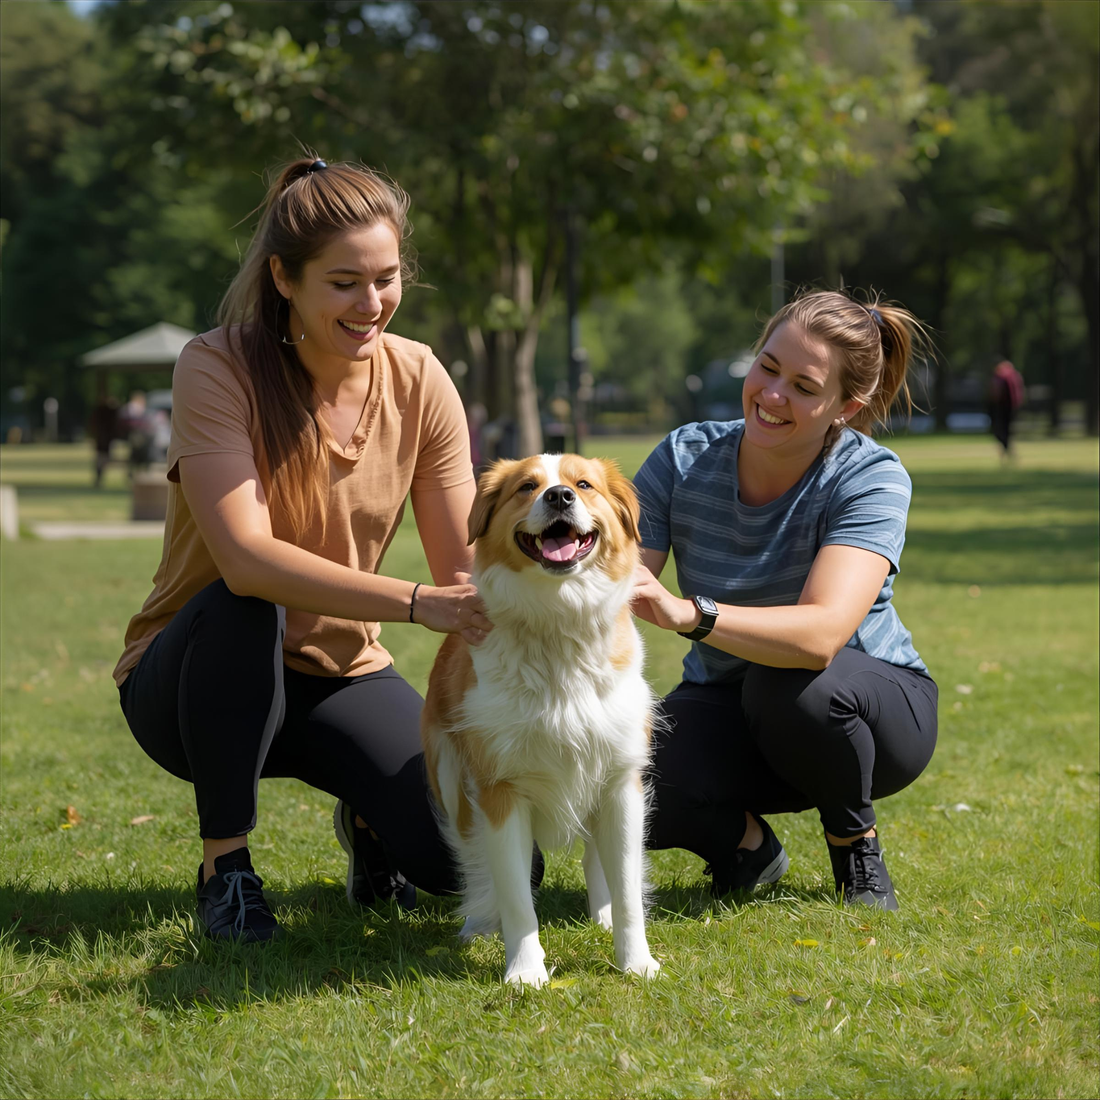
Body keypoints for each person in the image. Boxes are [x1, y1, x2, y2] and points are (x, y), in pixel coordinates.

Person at [113, 157, 494, 942]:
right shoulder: (216, 366)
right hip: (196, 675)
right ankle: (229, 871)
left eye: (387, 278)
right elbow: (247, 559)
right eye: (344, 282)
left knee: (484, 869)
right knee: (246, 602)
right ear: (284, 278)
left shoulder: (420, 377)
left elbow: (466, 567)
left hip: (340, 671)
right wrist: (419, 603)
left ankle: (372, 822)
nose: (372, 303)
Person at [630, 290, 938, 911]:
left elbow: (822, 634)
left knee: (788, 680)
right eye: (768, 368)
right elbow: (617, 577)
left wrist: (690, 613)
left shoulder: (870, 475)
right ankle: (747, 851)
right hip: (729, 697)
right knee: (620, 777)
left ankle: (855, 846)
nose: (772, 395)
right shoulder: (683, 455)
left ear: (845, 407)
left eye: (803, 386)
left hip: (863, 710)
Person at [988, 357, 1025, 461]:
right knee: (1007, 430)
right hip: (1014, 406)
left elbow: (995, 393)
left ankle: (1006, 448)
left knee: (1000, 430)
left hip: (1001, 406)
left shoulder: (1000, 376)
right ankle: (1008, 449)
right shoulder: (1015, 375)